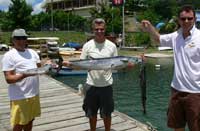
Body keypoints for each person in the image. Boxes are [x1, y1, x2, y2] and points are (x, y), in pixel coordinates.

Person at [141, 5, 200, 131]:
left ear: (194, 19)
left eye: (189, 18)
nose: (186, 21)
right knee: (177, 127)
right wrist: (150, 27)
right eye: (183, 19)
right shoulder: (175, 36)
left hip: (195, 93)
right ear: (179, 20)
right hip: (176, 91)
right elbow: (158, 39)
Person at [64, 18, 118, 131]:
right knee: (91, 113)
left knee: (107, 114)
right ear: (93, 30)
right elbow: (81, 64)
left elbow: (115, 66)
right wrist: (70, 65)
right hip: (91, 85)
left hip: (107, 86)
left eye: (102, 29)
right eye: (97, 29)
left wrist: (126, 66)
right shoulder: (87, 46)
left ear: (105, 29)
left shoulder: (112, 46)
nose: (99, 31)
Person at [1, 29, 41, 131]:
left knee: (30, 120)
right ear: (13, 40)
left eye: (23, 38)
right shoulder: (9, 56)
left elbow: (39, 67)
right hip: (20, 96)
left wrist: (49, 63)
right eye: (18, 38)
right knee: (19, 123)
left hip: (34, 93)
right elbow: (8, 79)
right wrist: (24, 75)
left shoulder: (32, 52)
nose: (21, 41)